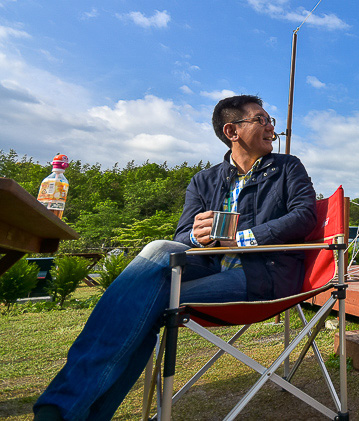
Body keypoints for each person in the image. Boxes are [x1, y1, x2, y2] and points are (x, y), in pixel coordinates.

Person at [33, 95, 317, 421]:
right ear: (232, 130)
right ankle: (70, 412)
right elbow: (182, 237)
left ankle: (61, 411)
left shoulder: (286, 168)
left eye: (271, 122)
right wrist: (198, 236)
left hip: (263, 273)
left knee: (144, 306)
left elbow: (304, 216)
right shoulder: (204, 180)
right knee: (158, 248)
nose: (271, 127)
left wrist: (240, 239)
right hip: (205, 266)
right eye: (262, 120)